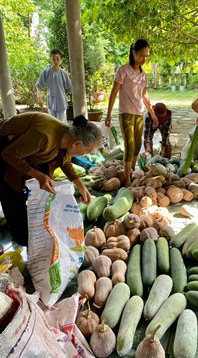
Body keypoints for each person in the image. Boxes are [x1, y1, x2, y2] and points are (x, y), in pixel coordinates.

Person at [0, 112, 102, 246]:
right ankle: (22, 236)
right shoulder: (44, 136)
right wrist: (38, 175)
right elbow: (8, 154)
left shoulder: (67, 137)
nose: (83, 155)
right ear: (77, 144)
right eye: (85, 152)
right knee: (12, 191)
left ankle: (33, 220)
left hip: (25, 151)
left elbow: (65, 162)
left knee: (40, 188)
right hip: (5, 148)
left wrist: (80, 185)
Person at [105, 39, 158, 186]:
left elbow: (144, 95)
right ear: (133, 53)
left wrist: (152, 114)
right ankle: (127, 179)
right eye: (142, 55)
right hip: (126, 114)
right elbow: (114, 93)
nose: (144, 59)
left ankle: (131, 170)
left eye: (147, 56)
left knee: (137, 144)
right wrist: (108, 114)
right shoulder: (123, 70)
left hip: (139, 114)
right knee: (129, 145)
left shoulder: (143, 75)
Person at [35, 49, 72, 123]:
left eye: (58, 59)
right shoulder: (46, 72)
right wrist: (39, 97)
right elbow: (39, 85)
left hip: (61, 102)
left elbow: (70, 88)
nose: (56, 61)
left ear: (60, 60)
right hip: (51, 102)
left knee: (61, 124)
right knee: (52, 124)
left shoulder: (64, 73)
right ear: (50, 60)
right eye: (53, 59)